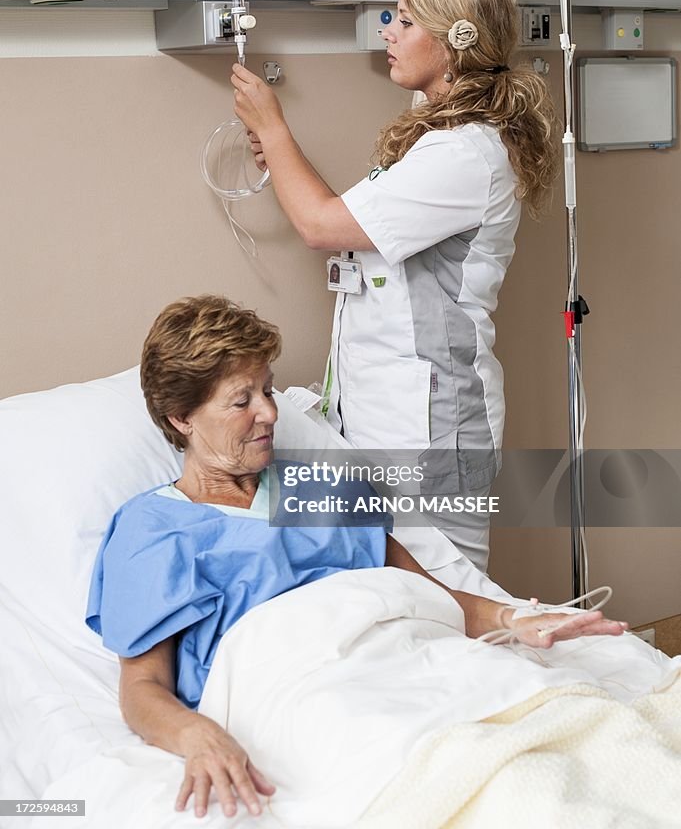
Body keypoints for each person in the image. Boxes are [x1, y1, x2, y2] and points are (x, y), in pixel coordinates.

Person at [86, 295, 625, 821]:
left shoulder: (324, 487)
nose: (269, 412)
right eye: (241, 400)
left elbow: (426, 594)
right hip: (304, 691)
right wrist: (196, 734)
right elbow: (142, 688)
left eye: (268, 391)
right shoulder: (152, 528)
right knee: (470, 777)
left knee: (569, 739)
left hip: (412, 656)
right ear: (182, 418)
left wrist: (514, 619)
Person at [231, 0, 558, 572]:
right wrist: (279, 154)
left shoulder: (464, 153)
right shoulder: (440, 141)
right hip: (388, 414)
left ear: (455, 39)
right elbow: (348, 220)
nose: (387, 30)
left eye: (404, 21)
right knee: (398, 602)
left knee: (453, 603)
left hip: (432, 426)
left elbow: (320, 226)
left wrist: (275, 128)